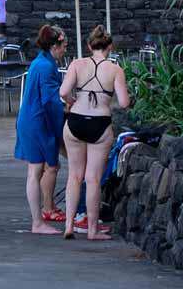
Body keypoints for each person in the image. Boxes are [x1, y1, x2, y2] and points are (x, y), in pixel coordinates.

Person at [59, 26, 131, 241]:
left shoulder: (77, 64)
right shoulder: (116, 69)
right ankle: (92, 230)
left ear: (89, 46)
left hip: (75, 121)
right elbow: (124, 102)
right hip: (100, 123)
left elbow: (63, 92)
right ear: (110, 47)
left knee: (74, 176)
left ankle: (69, 226)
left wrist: (73, 101)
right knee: (93, 179)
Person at [15, 24, 69, 234]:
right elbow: (50, 100)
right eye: (64, 46)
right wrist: (68, 108)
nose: (65, 49)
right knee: (36, 170)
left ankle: (41, 216)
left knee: (38, 169)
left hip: (31, 119)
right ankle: (37, 222)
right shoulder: (46, 66)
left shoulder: (42, 62)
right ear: (54, 46)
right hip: (38, 121)